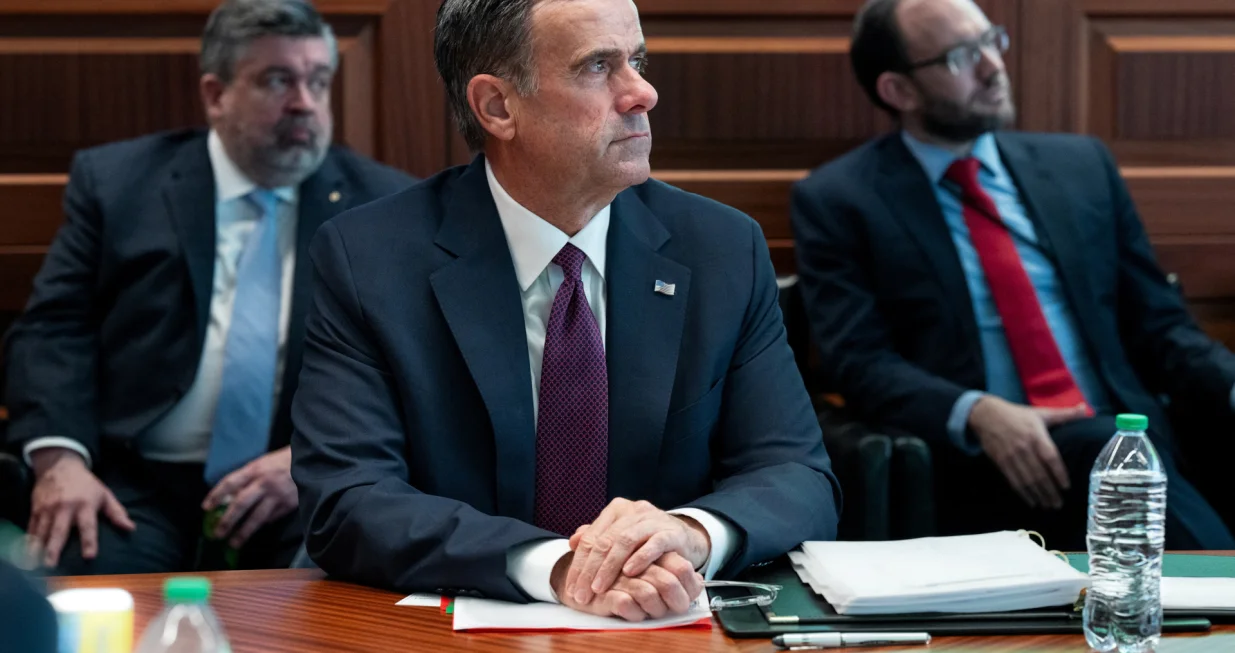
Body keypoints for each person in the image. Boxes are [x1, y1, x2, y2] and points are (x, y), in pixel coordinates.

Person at [291, 0, 839, 622]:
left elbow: (796, 474)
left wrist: (691, 532)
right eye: (598, 67)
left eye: (636, 60)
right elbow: (348, 498)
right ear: (498, 107)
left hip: (666, 629)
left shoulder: (720, 250)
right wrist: (553, 565)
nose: (643, 94)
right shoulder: (370, 259)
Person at [791, 0, 1235, 551]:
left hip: (1133, 440)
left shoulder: (1081, 168)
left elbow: (1162, 326)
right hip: (982, 461)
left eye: (990, 42)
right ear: (898, 91)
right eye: (960, 56)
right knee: (1112, 451)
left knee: (1121, 448)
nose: (992, 67)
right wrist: (976, 411)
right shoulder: (841, 199)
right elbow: (857, 361)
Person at [3, 0, 414, 575]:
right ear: (216, 95)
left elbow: (411, 363)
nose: (305, 103)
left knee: (330, 597)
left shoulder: (383, 205)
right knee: (94, 581)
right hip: (137, 480)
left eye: (318, 81)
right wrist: (58, 461)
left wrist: (318, 461)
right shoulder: (120, 184)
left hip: (297, 481)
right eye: (278, 80)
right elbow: (53, 329)